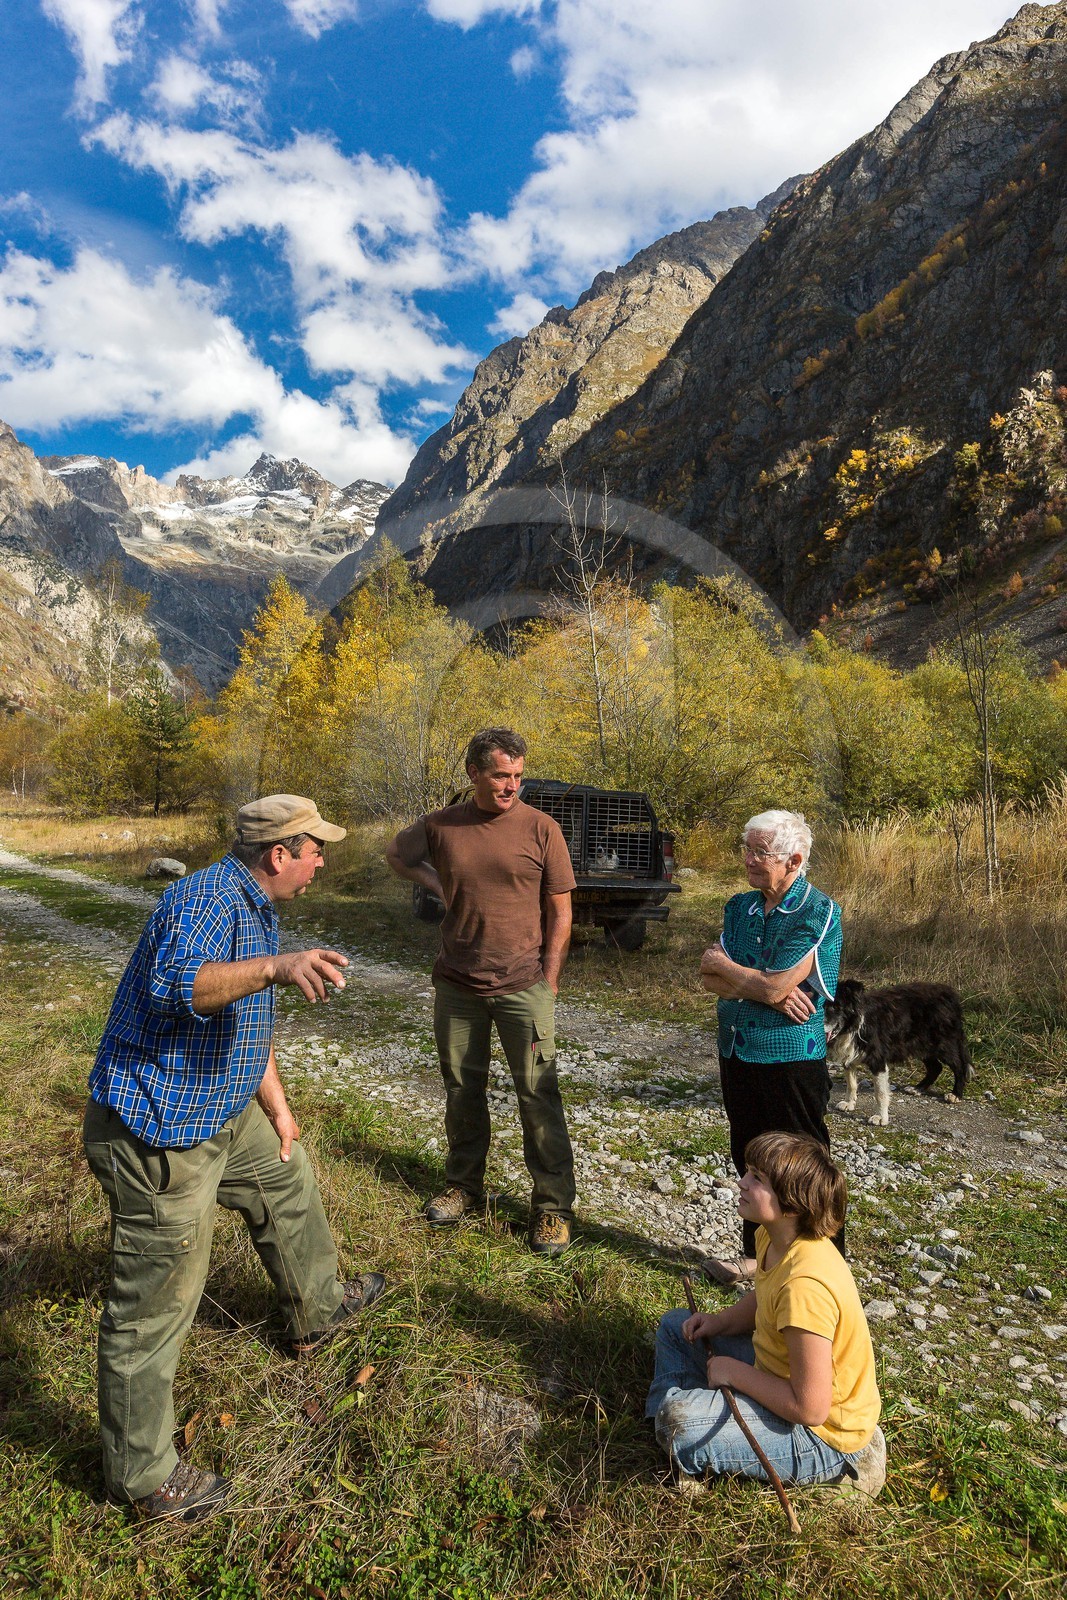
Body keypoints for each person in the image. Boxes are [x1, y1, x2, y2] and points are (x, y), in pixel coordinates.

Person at [84, 794, 387, 1523]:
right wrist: (279, 967)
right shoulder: (203, 900)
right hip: (158, 1131)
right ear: (279, 854)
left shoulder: (255, 904)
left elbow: (247, 1020)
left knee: (286, 1175)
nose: (322, 862)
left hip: (220, 1109)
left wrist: (276, 1107)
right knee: (154, 1305)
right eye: (315, 849)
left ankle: (317, 1313)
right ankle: (141, 1478)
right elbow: (180, 987)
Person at [385, 728, 577, 1256]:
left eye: (518, 776)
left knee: (538, 1096)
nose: (511, 785)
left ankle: (553, 1209)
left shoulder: (542, 829)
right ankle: (463, 1187)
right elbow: (395, 855)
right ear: (474, 773)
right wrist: (437, 883)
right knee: (461, 1090)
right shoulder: (442, 825)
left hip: (524, 989)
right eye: (500, 775)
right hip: (457, 987)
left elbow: (561, 910)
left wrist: (550, 979)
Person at [647, 1132, 885, 1495]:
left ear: (792, 1204)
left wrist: (735, 1373)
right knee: (675, 1326)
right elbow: (763, 1298)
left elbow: (810, 1408)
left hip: (822, 1438)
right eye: (748, 1172)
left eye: (757, 1178)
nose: (741, 1182)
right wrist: (720, 1322)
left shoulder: (806, 1287)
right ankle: (690, 1428)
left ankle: (683, 1431)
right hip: (775, 1374)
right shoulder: (773, 1238)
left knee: (678, 1423)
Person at [699, 809, 843, 1287]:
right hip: (737, 1048)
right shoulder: (739, 907)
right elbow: (708, 979)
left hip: (790, 1059)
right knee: (749, 1157)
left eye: (760, 852)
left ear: (794, 860)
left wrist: (731, 971)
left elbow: (783, 982)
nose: (748, 859)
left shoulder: (817, 909)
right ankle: (756, 1258)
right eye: (747, 849)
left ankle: (820, 1267)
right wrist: (753, 985)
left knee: (801, 1163)